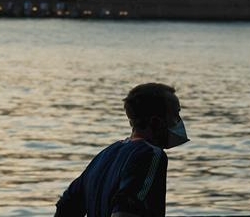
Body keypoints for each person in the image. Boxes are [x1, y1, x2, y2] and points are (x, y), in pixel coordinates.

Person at [54, 83, 189, 217]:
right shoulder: (152, 155)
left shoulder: (105, 154)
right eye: (175, 115)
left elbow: (66, 207)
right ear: (156, 122)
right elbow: (126, 209)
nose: (179, 121)